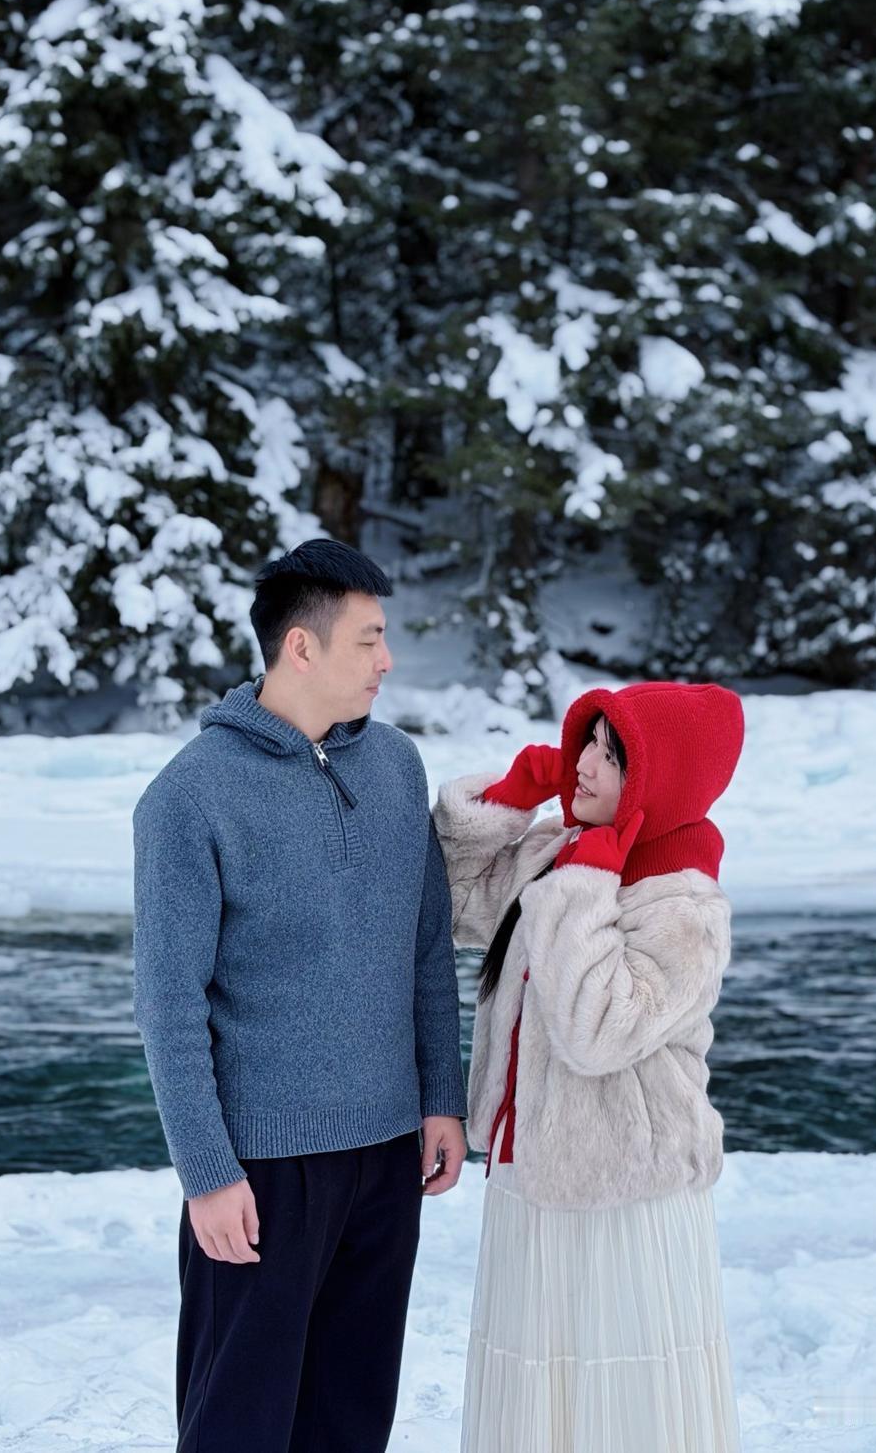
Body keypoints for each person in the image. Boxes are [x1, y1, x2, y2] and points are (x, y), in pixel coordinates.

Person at [131, 538, 468, 1453]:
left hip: (388, 1154)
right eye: (368, 639)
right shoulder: (189, 797)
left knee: (352, 1419)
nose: (387, 660)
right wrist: (207, 1173)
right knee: (237, 1426)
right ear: (302, 647)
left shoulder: (396, 766)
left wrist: (441, 1096)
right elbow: (168, 1004)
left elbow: (425, 949)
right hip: (264, 1170)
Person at [432, 680, 747, 1453]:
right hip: (531, 1171)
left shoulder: (684, 907)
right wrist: (505, 802)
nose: (586, 764)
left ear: (660, 780)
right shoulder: (560, 850)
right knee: (537, 1394)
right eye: (590, 743)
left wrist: (584, 888)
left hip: (623, 1191)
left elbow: (598, 1031)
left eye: (614, 756)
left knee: (618, 1403)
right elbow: (448, 904)